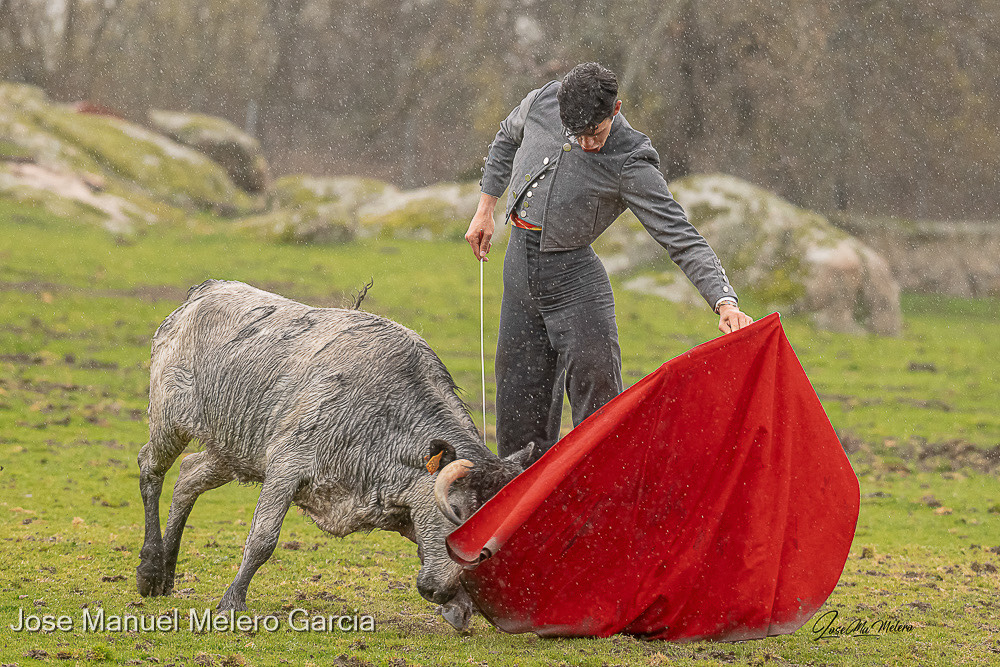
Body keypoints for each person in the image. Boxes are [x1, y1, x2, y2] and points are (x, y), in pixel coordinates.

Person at [465, 62, 753, 462]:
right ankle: (525, 521)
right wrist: (485, 209)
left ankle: (601, 515)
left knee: (599, 414)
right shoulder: (542, 101)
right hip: (518, 273)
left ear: (615, 109)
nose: (586, 143)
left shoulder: (631, 159)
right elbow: (504, 138)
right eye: (576, 133)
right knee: (516, 418)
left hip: (577, 288)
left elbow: (680, 235)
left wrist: (725, 302)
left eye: (595, 133)